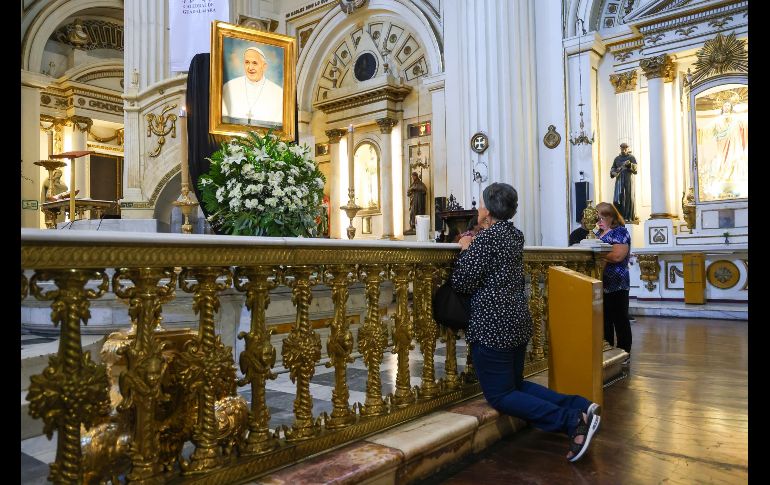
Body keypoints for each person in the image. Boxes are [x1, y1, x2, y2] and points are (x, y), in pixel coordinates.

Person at [452, 182, 601, 462]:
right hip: (516, 319)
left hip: (493, 325)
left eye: (481, 203)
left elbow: (462, 281)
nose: (478, 208)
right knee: (515, 386)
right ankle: (581, 406)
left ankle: (574, 421)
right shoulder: (514, 235)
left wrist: (465, 249)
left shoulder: (487, 239)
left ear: (488, 211)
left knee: (499, 395)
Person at [595, 202, 632, 363]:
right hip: (600, 284)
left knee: (620, 319)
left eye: (604, 217)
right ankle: (607, 350)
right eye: (598, 218)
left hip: (618, 283)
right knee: (604, 321)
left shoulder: (620, 232)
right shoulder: (596, 234)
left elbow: (617, 256)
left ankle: (624, 352)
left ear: (612, 217)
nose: (600, 221)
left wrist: (597, 254)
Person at [222, 46, 283, 126]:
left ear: (264, 66)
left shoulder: (278, 93)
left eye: (254, 63)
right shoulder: (229, 87)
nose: (250, 67)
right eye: (247, 62)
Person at [610, 143, 637, 222]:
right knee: (618, 198)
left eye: (625, 148)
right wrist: (613, 172)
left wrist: (629, 165)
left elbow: (635, 168)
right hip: (619, 180)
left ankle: (628, 217)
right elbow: (613, 168)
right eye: (622, 148)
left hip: (628, 179)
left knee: (627, 197)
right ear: (620, 148)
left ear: (628, 149)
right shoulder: (617, 159)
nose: (624, 149)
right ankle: (619, 217)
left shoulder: (631, 157)